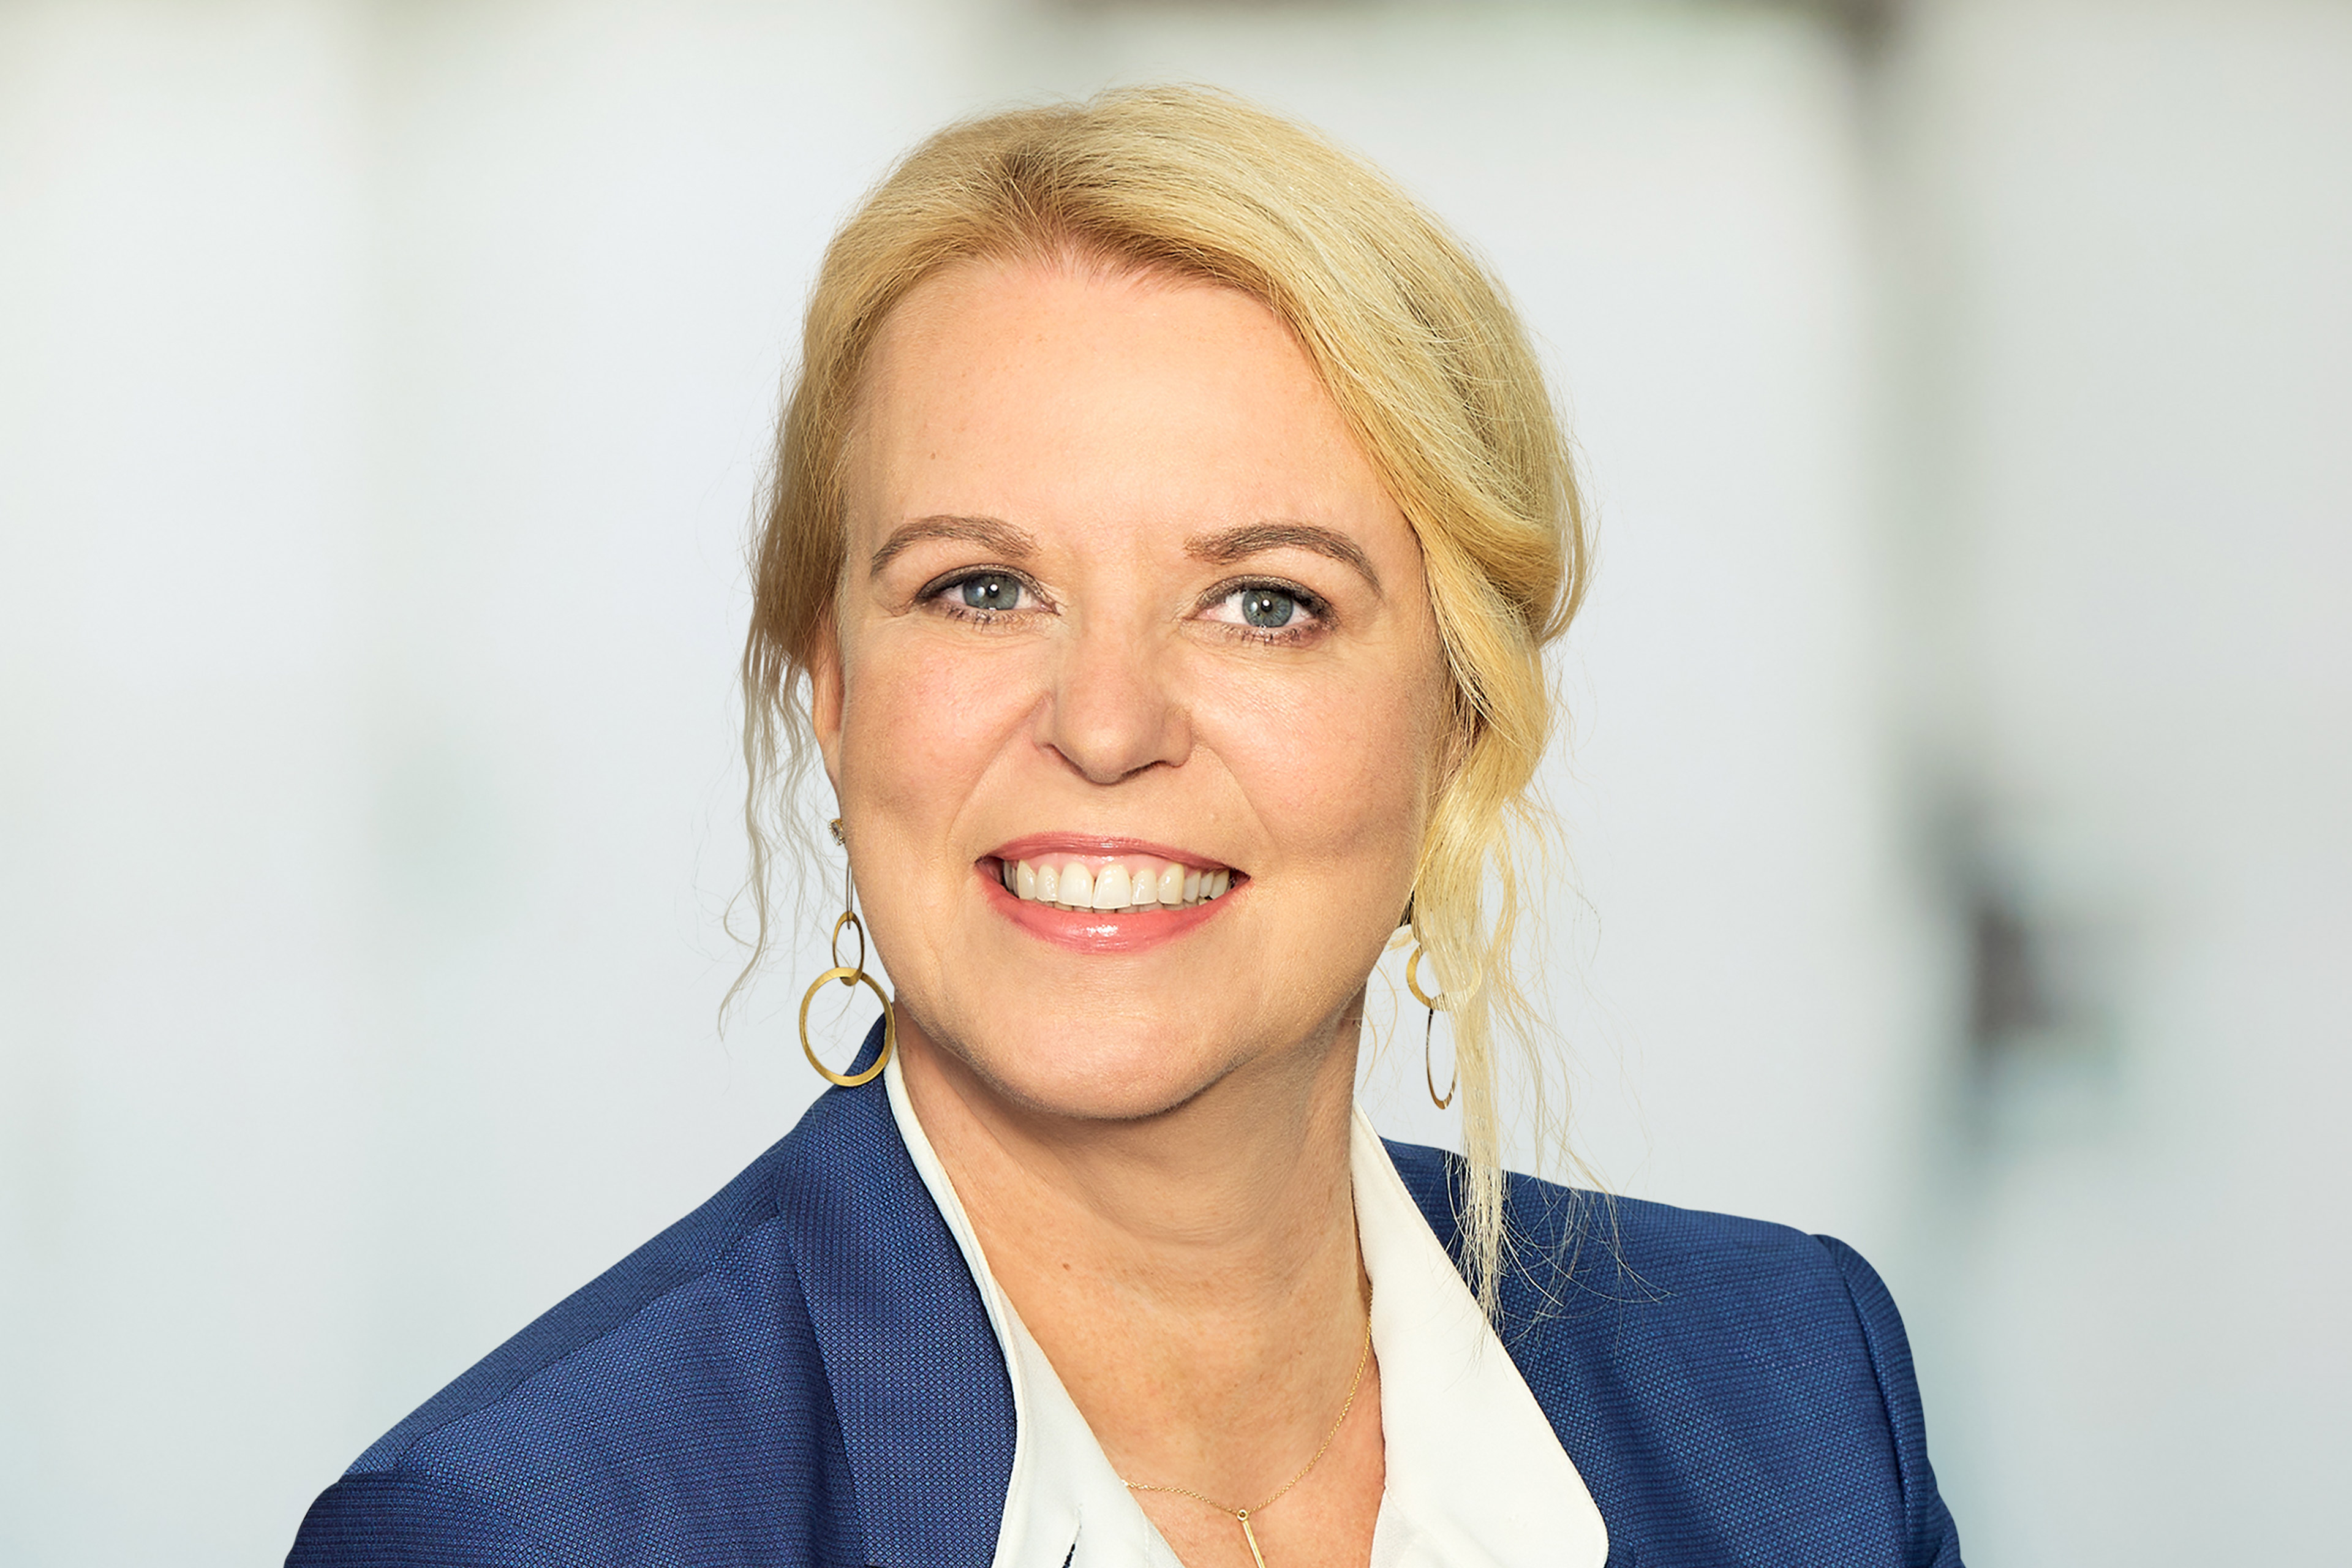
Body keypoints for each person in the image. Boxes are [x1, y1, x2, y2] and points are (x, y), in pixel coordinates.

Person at [288, 86, 1961, 1568]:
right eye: (982, 588)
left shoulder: (1800, 1405)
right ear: (836, 691)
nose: (1103, 726)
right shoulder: (519, 1532)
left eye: (1264, 603)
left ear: (1459, 719)